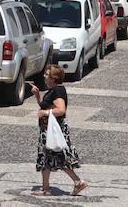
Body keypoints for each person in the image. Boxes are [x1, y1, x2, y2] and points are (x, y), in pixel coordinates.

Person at [29, 65, 89, 197]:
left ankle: (76, 181)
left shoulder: (58, 91)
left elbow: (61, 110)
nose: (44, 76)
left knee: (57, 156)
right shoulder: (53, 90)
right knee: (48, 157)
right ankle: (47, 188)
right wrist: (38, 96)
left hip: (54, 130)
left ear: (54, 78)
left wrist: (45, 112)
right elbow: (47, 105)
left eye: (47, 74)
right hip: (48, 129)